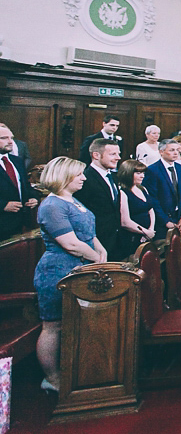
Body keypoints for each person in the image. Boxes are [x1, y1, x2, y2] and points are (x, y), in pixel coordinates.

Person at [33, 156, 108, 393]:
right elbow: (71, 244)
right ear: (63, 176)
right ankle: (52, 378)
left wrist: (100, 249)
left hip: (82, 266)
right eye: (79, 174)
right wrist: (96, 258)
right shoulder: (52, 204)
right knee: (53, 325)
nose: (84, 178)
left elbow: (87, 231)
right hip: (58, 270)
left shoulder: (72, 200)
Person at [73, 138, 123, 260]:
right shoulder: (85, 179)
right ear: (96, 155)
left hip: (115, 240)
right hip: (95, 242)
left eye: (118, 154)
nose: (118, 158)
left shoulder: (113, 177)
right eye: (113, 154)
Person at [0, 123, 38, 240]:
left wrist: (33, 198)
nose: (11, 141)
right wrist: (3, 205)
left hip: (19, 222)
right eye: (4, 138)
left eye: (11, 137)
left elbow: (26, 186)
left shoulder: (16, 161)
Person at [144, 139, 181, 235]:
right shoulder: (152, 170)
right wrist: (165, 221)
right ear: (161, 152)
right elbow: (152, 199)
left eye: (177, 150)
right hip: (161, 220)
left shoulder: (180, 168)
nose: (176, 153)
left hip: (178, 216)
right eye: (172, 150)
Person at [116, 159, 156, 258]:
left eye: (143, 173)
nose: (142, 176)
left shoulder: (143, 189)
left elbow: (150, 210)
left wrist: (150, 230)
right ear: (128, 173)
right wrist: (144, 232)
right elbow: (125, 221)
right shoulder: (123, 192)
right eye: (138, 173)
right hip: (132, 238)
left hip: (148, 235)